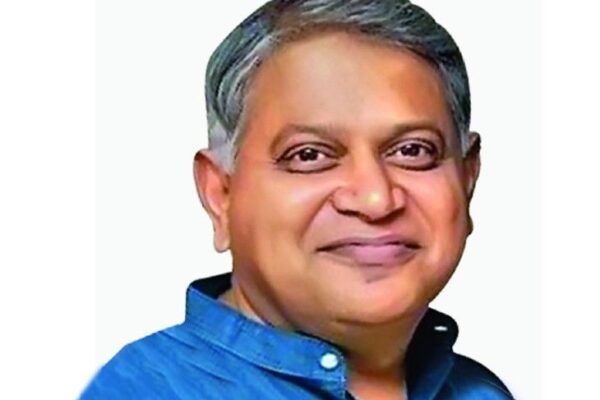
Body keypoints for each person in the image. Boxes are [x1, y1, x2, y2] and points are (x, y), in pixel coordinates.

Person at [83, 0, 514, 398]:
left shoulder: (480, 392)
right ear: (221, 194)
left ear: (467, 178)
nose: (375, 199)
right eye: (309, 155)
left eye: (412, 150)